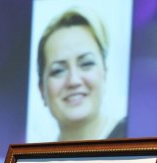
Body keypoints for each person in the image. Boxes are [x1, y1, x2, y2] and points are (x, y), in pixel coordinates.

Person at [36, 7, 126, 141]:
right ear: (41, 90)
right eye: (58, 71)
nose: (73, 81)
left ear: (105, 73)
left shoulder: (139, 135)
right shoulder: (28, 154)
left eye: (86, 64)